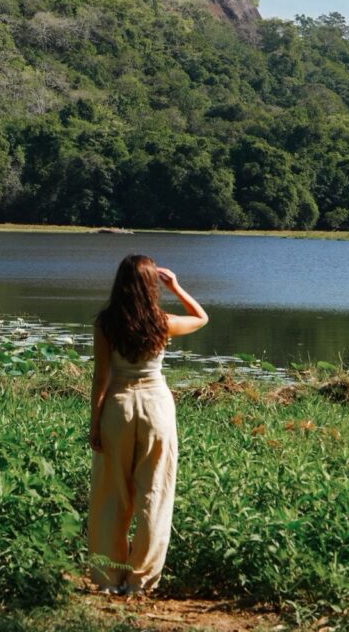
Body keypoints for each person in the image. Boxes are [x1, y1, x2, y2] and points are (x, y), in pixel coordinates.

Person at [88, 254, 209, 595]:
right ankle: (140, 581)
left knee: (111, 494)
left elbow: (100, 378)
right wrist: (176, 287)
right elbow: (201, 317)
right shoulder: (162, 321)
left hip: (118, 408)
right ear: (150, 285)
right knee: (155, 493)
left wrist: (95, 423)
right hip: (157, 408)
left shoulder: (106, 324)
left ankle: (109, 578)